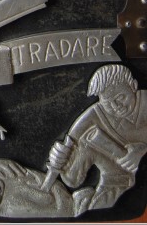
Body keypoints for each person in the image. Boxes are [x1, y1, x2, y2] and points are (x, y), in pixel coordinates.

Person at [47, 65, 147, 211]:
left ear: (133, 86)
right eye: (107, 103)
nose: (116, 106)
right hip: (113, 187)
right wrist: (59, 159)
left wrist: (142, 151)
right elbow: (71, 175)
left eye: (121, 97)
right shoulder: (93, 116)